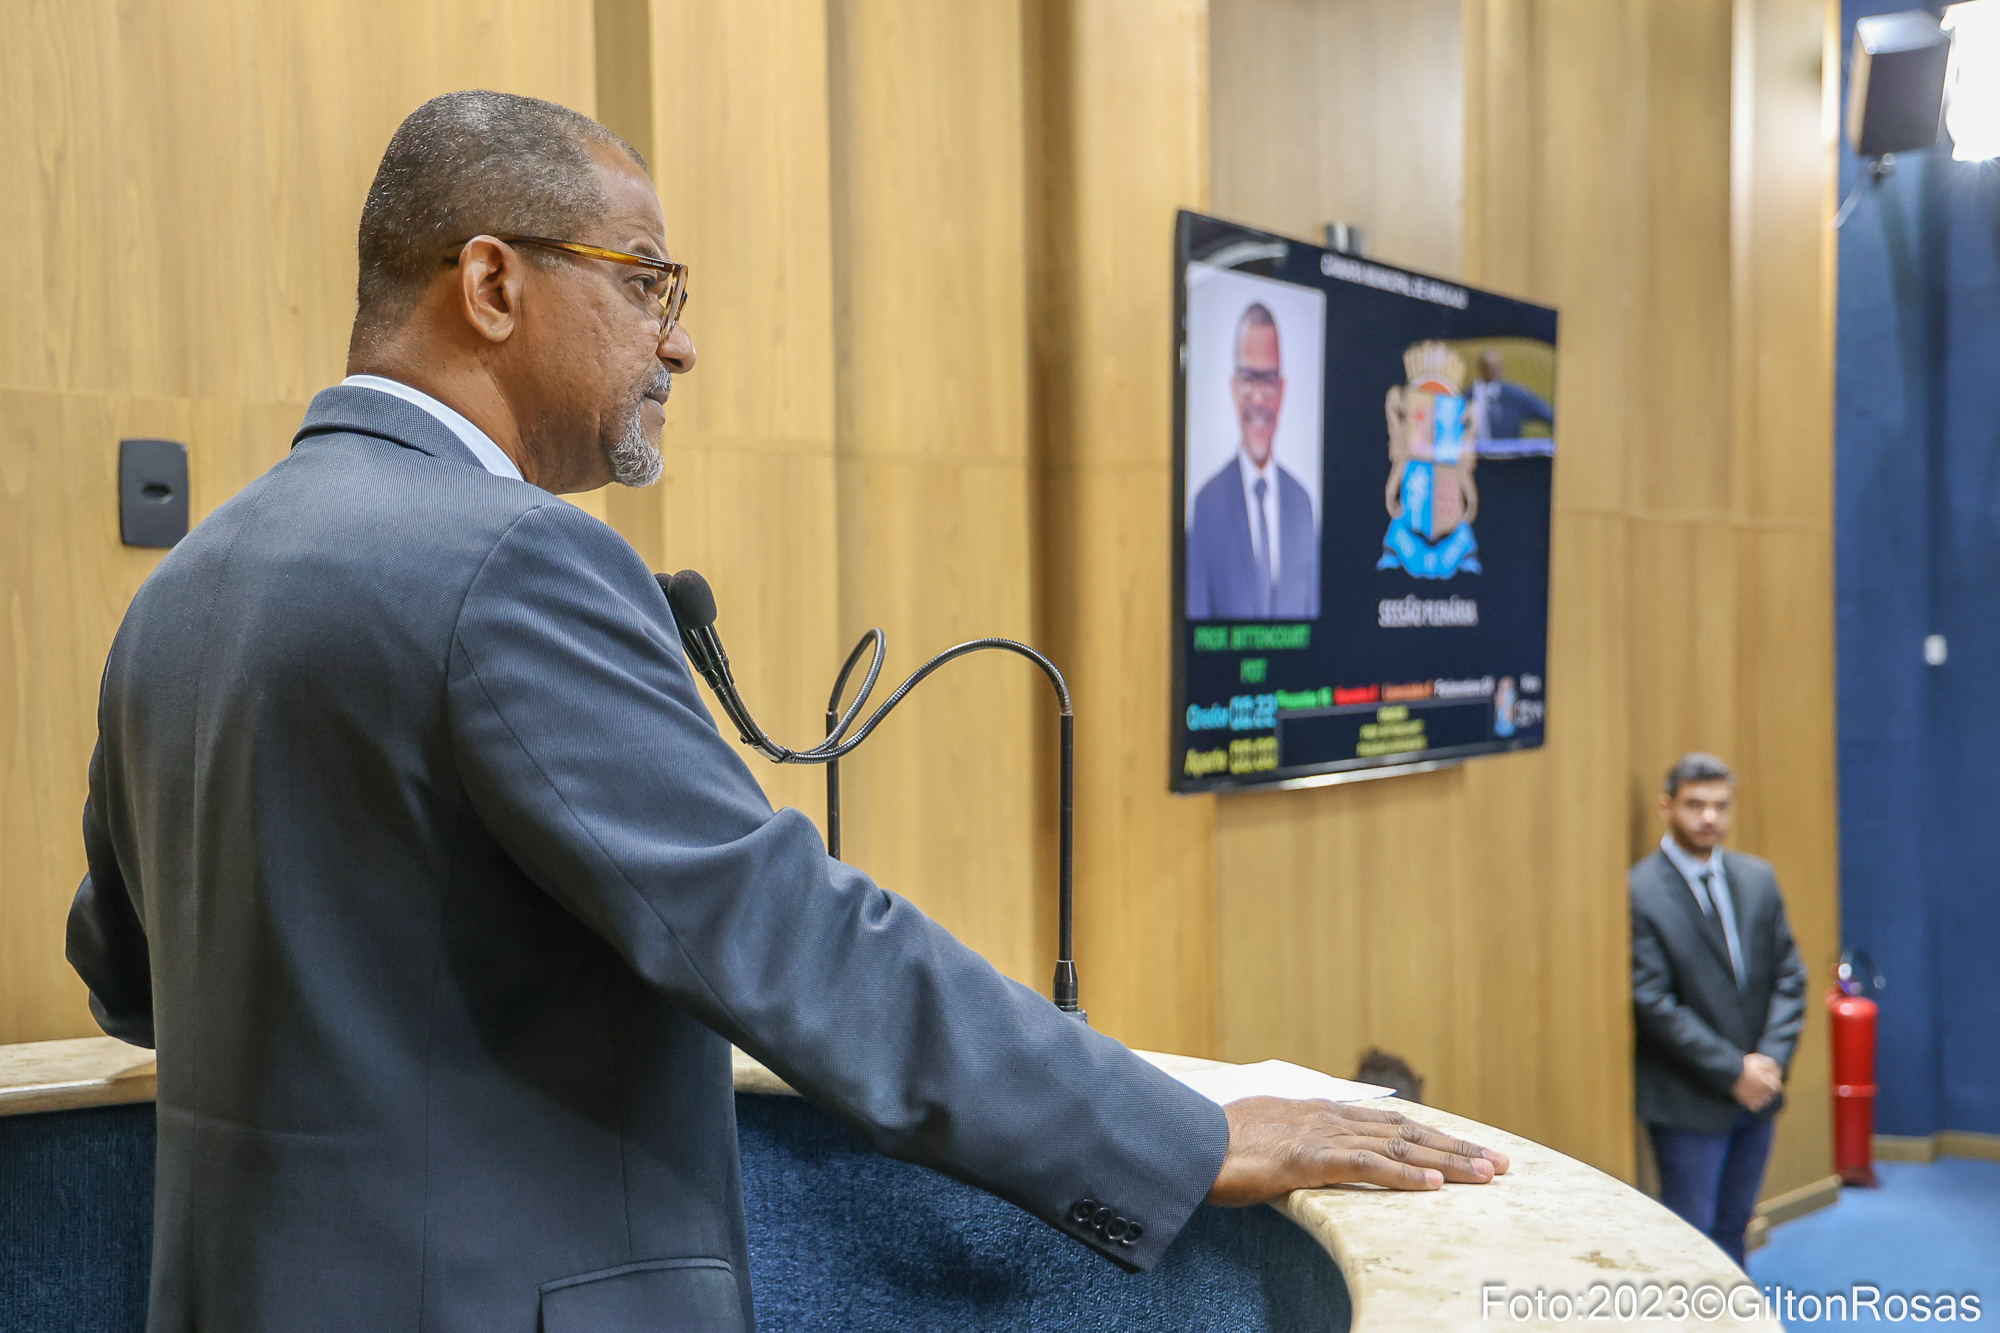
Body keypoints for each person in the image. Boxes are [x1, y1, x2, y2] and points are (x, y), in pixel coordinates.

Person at [65, 92, 1504, 1333]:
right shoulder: (512, 562)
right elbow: (782, 930)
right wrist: (1179, 1140)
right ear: (490, 285)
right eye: (646, 282)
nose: (677, 342)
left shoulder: (186, 586)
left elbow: (127, 978)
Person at [1631, 753, 1808, 1268]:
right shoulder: (1641, 891)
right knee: (1693, 1243)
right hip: (1689, 1101)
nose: (1709, 817)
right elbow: (1653, 1002)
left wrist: (1769, 1063)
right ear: (1667, 807)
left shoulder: (1757, 878)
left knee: (1736, 1228)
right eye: (1695, 804)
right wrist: (1734, 1072)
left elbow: (1790, 977)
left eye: (1720, 805)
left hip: (1758, 1096)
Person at [1185, 303, 1320, 620]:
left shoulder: (1302, 504)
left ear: (1282, 390)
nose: (1258, 398)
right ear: (1233, 388)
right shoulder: (1207, 505)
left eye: (1268, 380)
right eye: (1248, 379)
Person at [1470, 348, 1553, 442]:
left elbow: (1544, 412)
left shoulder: (1514, 394)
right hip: (1474, 448)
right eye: (1490, 367)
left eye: (1498, 366)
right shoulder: (1469, 395)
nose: (1494, 370)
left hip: (1508, 449)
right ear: (1482, 368)